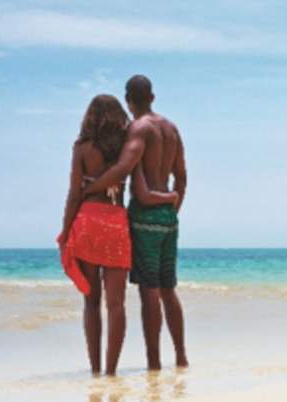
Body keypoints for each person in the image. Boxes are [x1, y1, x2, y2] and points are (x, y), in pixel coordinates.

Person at [58, 94, 178, 375]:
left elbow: (74, 194)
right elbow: (135, 183)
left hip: (88, 221)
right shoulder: (125, 149)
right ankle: (112, 372)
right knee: (117, 305)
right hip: (116, 225)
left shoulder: (82, 149)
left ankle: (96, 370)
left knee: (91, 301)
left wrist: (66, 231)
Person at [83, 75, 189, 369]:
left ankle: (154, 362)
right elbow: (181, 177)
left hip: (144, 217)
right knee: (169, 288)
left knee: (150, 291)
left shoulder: (137, 130)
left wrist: (89, 188)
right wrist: (171, 209)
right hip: (169, 218)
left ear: (129, 101)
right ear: (152, 97)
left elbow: (122, 169)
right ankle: (181, 356)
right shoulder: (171, 129)